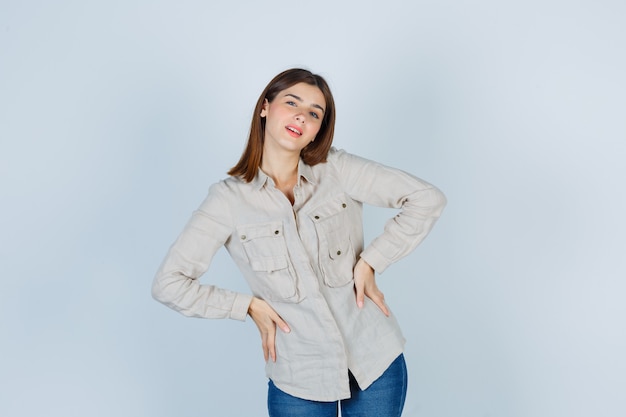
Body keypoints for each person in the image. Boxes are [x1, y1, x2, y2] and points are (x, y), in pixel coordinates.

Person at [152, 68, 446, 417]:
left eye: (314, 113)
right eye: (292, 102)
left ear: (318, 129)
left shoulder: (336, 169)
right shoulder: (227, 201)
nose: (301, 116)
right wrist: (247, 307)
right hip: (298, 378)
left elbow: (427, 198)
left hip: (374, 361)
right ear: (265, 107)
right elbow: (168, 284)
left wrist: (371, 261)